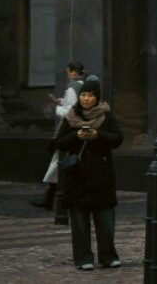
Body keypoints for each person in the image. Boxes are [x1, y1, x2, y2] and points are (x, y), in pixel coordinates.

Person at [54, 78, 123, 271]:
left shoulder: (106, 117)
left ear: (97, 97)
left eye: (90, 95)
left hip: (101, 177)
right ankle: (83, 258)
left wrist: (97, 135)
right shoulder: (71, 117)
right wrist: (76, 136)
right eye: (83, 94)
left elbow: (118, 138)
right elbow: (58, 142)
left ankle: (108, 256)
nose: (86, 99)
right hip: (77, 177)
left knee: (106, 220)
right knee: (79, 222)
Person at [32, 61, 86, 209]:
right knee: (59, 168)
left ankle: (55, 201)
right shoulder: (84, 86)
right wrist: (63, 102)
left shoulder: (72, 89)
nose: (68, 75)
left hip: (69, 133)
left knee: (60, 166)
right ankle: (51, 199)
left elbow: (70, 113)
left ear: (74, 73)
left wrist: (57, 108)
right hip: (78, 132)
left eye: (68, 72)